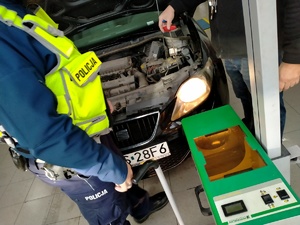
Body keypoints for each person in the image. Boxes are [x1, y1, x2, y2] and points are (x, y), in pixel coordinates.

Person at [0, 1, 168, 224]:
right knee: (107, 211)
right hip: (71, 154)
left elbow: (61, 70)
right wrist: (109, 167)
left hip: (88, 129)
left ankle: (140, 207)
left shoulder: (9, 9)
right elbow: (43, 134)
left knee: (124, 181)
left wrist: (96, 99)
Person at [158, 0, 300, 137]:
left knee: (268, 109)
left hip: (260, 51)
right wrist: (174, 7)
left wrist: (293, 59)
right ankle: (253, 134)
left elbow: (295, 6)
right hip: (229, 49)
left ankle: (270, 157)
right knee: (247, 98)